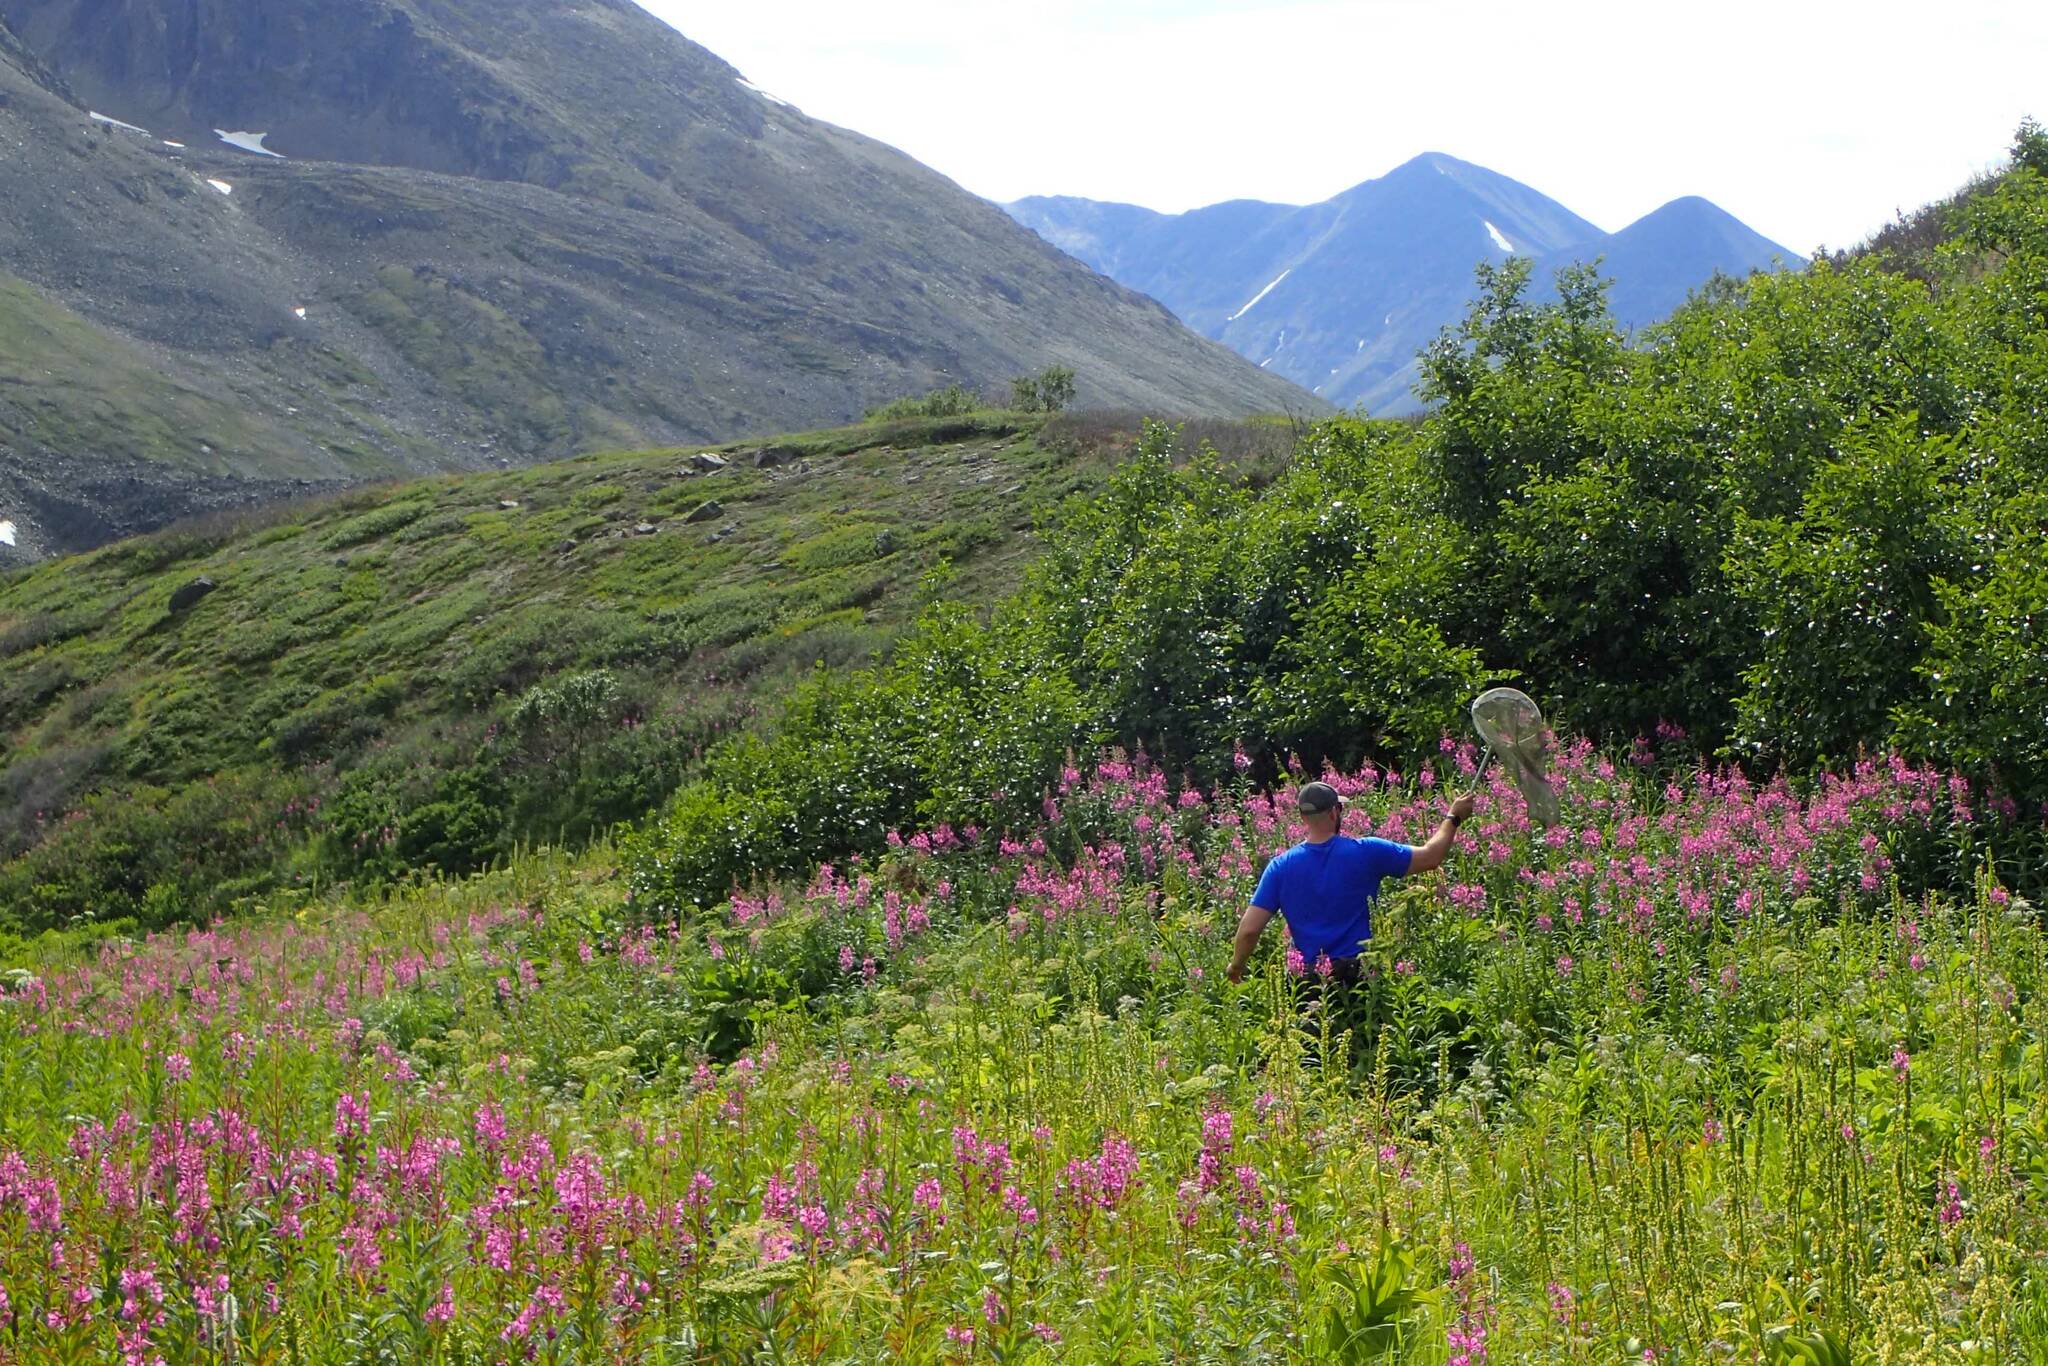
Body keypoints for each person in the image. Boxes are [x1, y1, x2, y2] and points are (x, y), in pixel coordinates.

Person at [1225, 781, 1474, 984]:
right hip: (1361, 976)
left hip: (1309, 981)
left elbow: (1249, 931)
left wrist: (1236, 966)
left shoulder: (1279, 867)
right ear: (1334, 812)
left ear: (1303, 818)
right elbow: (1431, 857)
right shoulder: (1367, 851)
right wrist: (1453, 817)